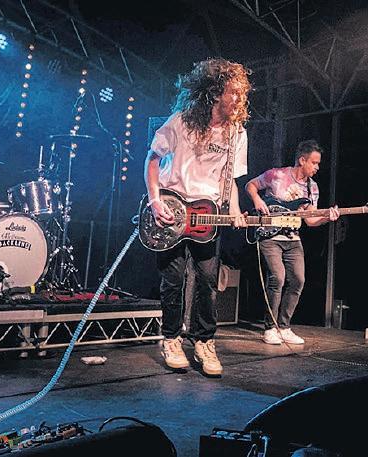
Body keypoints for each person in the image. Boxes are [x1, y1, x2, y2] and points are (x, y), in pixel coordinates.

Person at [144, 58, 251, 376]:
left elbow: (230, 179)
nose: (238, 99)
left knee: (207, 280)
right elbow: (152, 159)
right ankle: (171, 339)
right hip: (172, 209)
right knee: (174, 279)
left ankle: (204, 341)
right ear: (215, 92)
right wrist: (154, 201)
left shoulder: (236, 134)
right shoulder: (182, 121)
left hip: (207, 214)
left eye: (241, 93)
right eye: (233, 92)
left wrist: (234, 210)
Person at [245, 140, 340, 345]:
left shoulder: (312, 188)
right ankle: (270, 327)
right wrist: (257, 200)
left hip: (293, 238)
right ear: (302, 160)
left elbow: (311, 220)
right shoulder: (277, 175)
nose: (317, 167)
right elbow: (250, 185)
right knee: (277, 278)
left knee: (298, 280)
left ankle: (284, 326)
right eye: (314, 162)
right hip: (270, 236)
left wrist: (327, 217)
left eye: (318, 163)